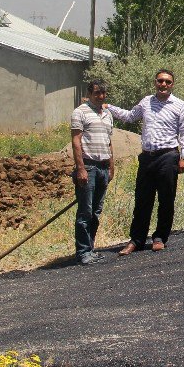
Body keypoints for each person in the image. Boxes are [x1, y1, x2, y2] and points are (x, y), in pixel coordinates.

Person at [109, 69, 184, 255]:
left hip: (168, 156)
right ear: (155, 82)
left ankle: (160, 237)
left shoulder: (179, 105)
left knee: (166, 199)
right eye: (160, 81)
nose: (163, 84)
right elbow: (129, 116)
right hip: (147, 157)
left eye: (167, 82)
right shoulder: (146, 102)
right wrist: (108, 107)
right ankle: (136, 240)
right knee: (142, 199)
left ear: (172, 84)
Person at [70, 79, 114, 266]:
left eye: (103, 93)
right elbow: (76, 141)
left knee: (96, 211)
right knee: (85, 212)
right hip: (88, 167)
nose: (101, 96)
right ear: (89, 93)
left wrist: (112, 166)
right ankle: (83, 252)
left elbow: (109, 142)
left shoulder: (108, 115)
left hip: (103, 167)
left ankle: (91, 249)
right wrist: (80, 168)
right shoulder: (80, 112)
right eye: (97, 93)